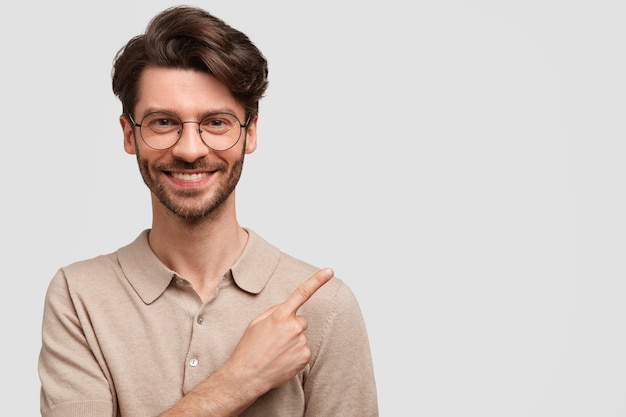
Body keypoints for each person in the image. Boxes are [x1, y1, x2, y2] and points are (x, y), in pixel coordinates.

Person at [37, 5, 378, 417]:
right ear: (130, 135)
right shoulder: (79, 297)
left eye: (217, 122)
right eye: (163, 122)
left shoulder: (324, 308)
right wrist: (239, 381)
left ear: (250, 132)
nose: (190, 149)